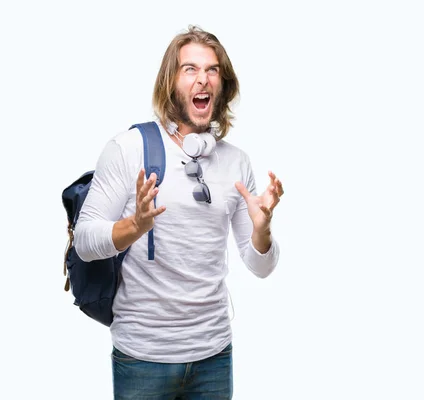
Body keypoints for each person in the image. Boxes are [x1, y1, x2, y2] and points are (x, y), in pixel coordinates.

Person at [74, 25, 283, 399]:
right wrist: (133, 227)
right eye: (190, 69)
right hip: (142, 358)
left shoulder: (236, 163)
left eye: (212, 70)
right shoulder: (128, 148)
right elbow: (85, 242)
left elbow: (260, 266)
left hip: (214, 355)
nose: (202, 79)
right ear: (171, 82)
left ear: (223, 84)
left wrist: (262, 230)